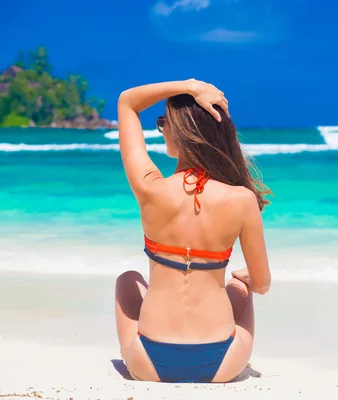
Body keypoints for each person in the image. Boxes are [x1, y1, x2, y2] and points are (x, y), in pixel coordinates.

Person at [114, 79, 272, 384]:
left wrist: (188, 85)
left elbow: (127, 102)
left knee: (128, 280)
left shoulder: (151, 189)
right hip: (222, 363)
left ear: (180, 131)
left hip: (148, 362)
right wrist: (244, 280)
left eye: (164, 123)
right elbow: (263, 284)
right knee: (238, 286)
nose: (162, 130)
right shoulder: (242, 199)